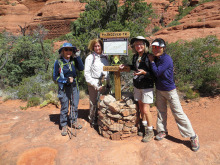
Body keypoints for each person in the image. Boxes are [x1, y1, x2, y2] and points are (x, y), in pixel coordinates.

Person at [148, 38, 200, 151]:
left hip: (170, 90)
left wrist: (151, 62)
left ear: (163, 48)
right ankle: (162, 131)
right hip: (160, 90)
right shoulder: (156, 58)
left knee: (178, 113)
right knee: (161, 112)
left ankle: (193, 136)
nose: (156, 49)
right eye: (154, 47)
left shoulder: (166, 59)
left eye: (158, 47)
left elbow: (157, 72)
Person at [119, 36, 155, 142]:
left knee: (145, 109)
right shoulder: (135, 57)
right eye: (136, 44)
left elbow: (154, 74)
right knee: (140, 106)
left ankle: (150, 130)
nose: (138, 46)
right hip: (137, 85)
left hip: (147, 87)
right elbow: (135, 68)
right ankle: (143, 127)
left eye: (140, 44)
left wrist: (144, 73)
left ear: (145, 46)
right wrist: (126, 65)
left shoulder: (149, 57)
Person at [53, 42, 84, 136]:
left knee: (74, 105)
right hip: (63, 88)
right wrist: (66, 80)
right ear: (62, 51)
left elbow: (81, 68)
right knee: (64, 107)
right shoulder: (58, 62)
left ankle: (73, 121)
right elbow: (55, 77)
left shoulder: (73, 61)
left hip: (74, 87)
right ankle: (64, 125)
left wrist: (78, 56)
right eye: (66, 49)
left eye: (70, 49)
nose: (68, 51)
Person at [84, 38, 110, 127]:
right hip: (94, 84)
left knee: (104, 102)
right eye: (95, 46)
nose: (97, 48)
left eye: (99, 46)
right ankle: (92, 119)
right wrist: (94, 84)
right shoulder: (90, 58)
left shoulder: (105, 57)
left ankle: (103, 119)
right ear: (92, 47)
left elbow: (108, 70)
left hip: (105, 83)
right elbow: (86, 74)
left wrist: (108, 82)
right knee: (93, 102)